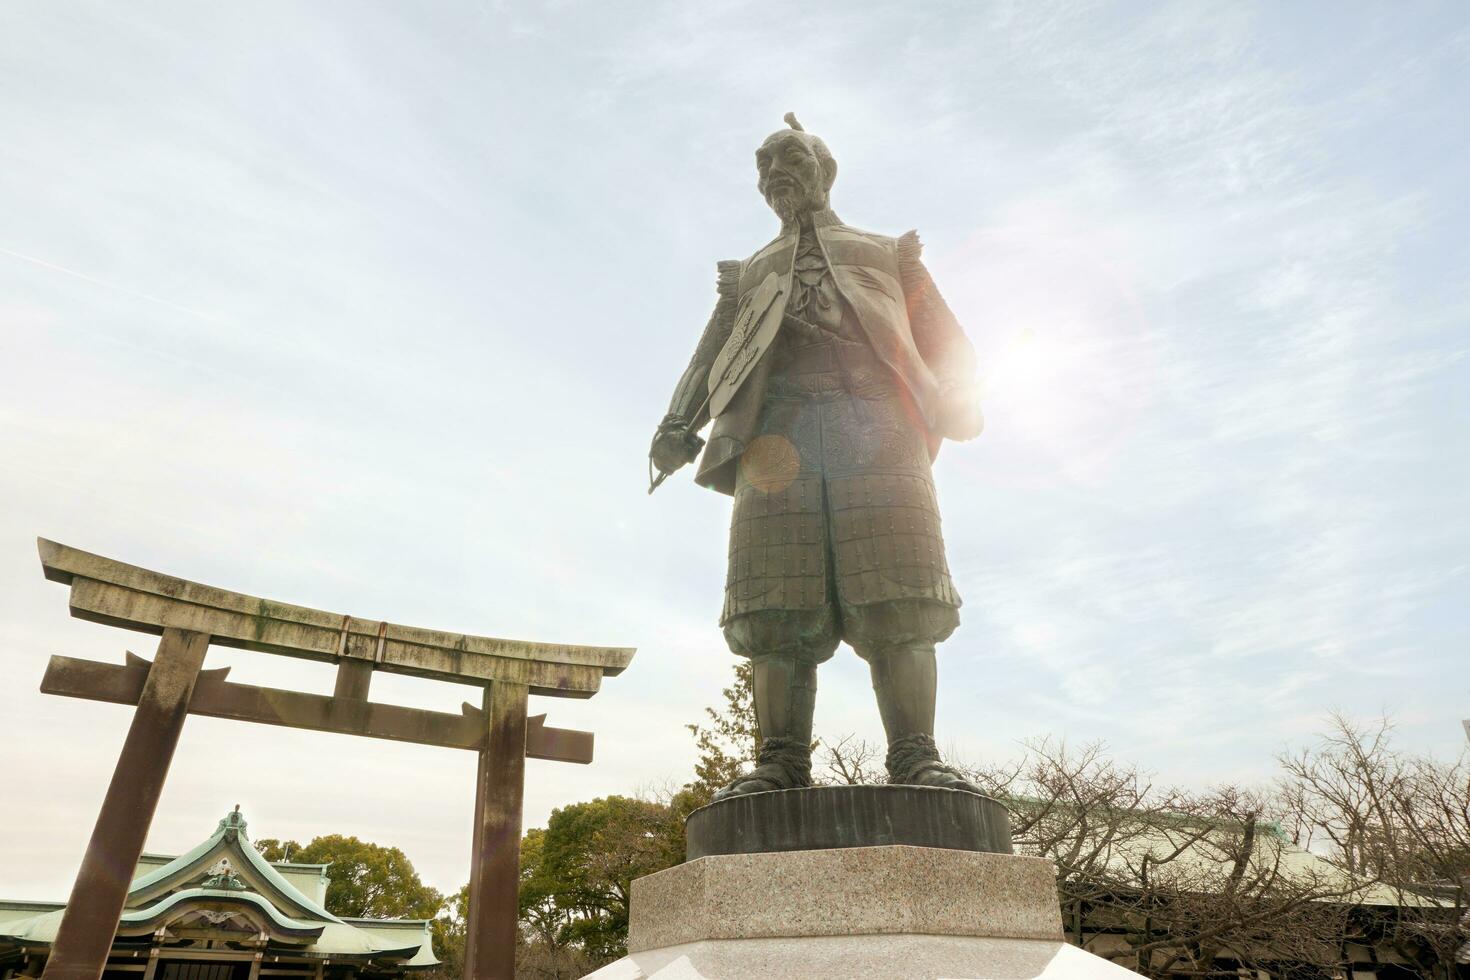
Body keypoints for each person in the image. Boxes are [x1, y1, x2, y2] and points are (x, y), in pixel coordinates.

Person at [650, 114, 984, 799]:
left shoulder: (888, 254)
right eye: (767, 173)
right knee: (775, 603)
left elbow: (947, 339)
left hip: (881, 428)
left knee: (899, 593)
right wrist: (678, 421)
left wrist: (956, 390)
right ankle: (780, 760)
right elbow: (711, 355)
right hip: (777, 440)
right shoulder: (750, 274)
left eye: (793, 164)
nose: (778, 179)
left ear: (825, 172)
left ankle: (916, 755)